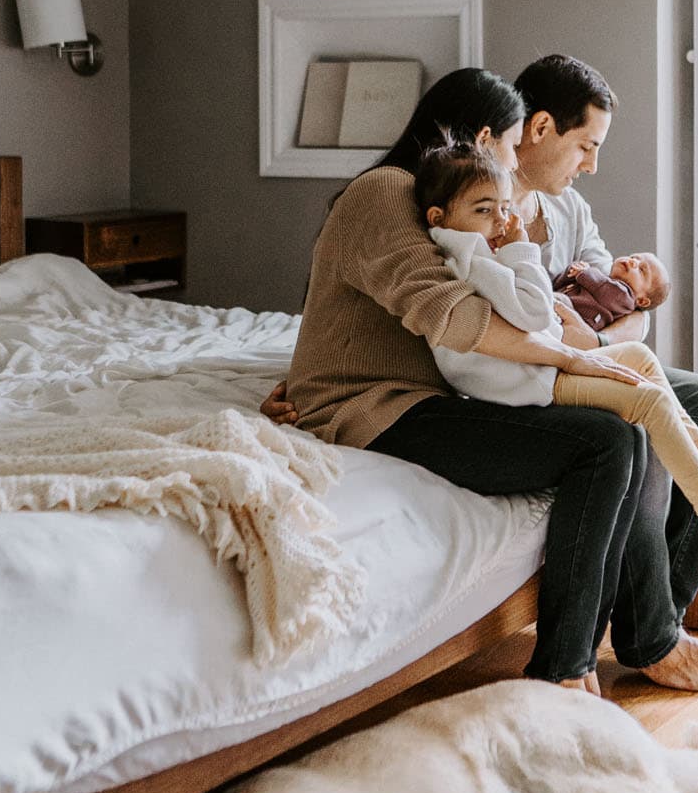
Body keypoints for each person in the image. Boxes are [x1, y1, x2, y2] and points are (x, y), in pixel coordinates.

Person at [263, 68, 648, 692]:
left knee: (621, 430)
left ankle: (584, 655)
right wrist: (568, 358)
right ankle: (564, 671)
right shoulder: (386, 190)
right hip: (378, 410)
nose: (514, 164)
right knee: (603, 444)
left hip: (428, 399)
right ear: (482, 137)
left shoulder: (449, 208)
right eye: (511, 145)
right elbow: (451, 315)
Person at [509, 53, 698, 693]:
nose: (591, 165)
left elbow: (634, 316)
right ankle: (654, 640)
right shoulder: (482, 203)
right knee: (636, 416)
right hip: (538, 374)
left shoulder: (567, 206)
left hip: (591, 354)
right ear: (539, 128)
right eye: (586, 147)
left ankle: (657, 620)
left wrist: (597, 339)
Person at [416, 134, 698, 541]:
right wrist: (521, 250)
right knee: (648, 399)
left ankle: (695, 440)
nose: (501, 221)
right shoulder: (473, 260)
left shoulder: (489, 243)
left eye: (503, 208)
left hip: (541, 362)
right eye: (485, 210)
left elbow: (593, 295)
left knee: (640, 358)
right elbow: (535, 310)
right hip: (525, 379)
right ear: (438, 216)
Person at [554, 250, 670, 333]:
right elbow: (560, 284)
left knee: (558, 300)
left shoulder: (625, 299)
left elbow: (605, 289)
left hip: (579, 324)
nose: (633, 262)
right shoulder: (597, 279)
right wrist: (571, 272)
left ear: (642, 301)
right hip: (562, 309)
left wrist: (584, 273)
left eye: (641, 270)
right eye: (633, 257)